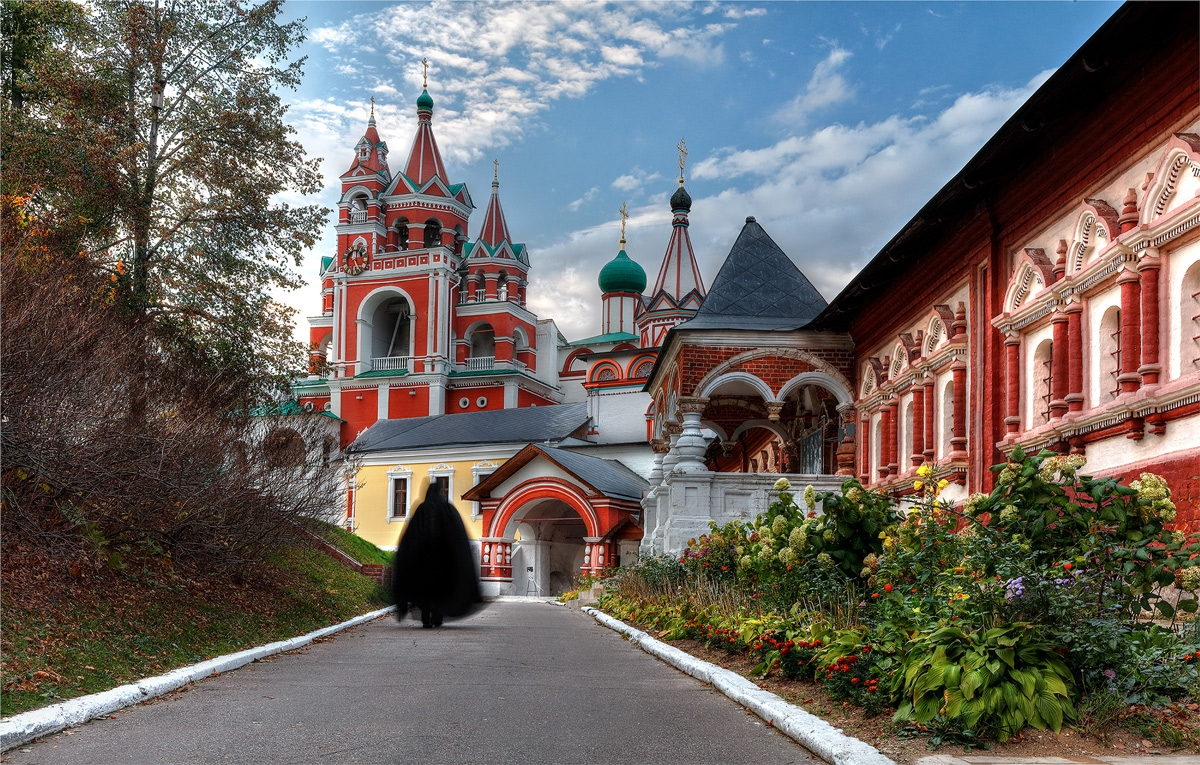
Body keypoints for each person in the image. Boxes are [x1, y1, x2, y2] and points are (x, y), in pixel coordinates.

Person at [392, 482, 484, 627]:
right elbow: (457, 537)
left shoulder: (421, 510)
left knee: (425, 593)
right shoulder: (447, 510)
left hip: (422, 564)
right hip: (443, 565)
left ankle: (425, 620)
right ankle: (437, 618)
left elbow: (410, 538)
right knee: (440, 593)